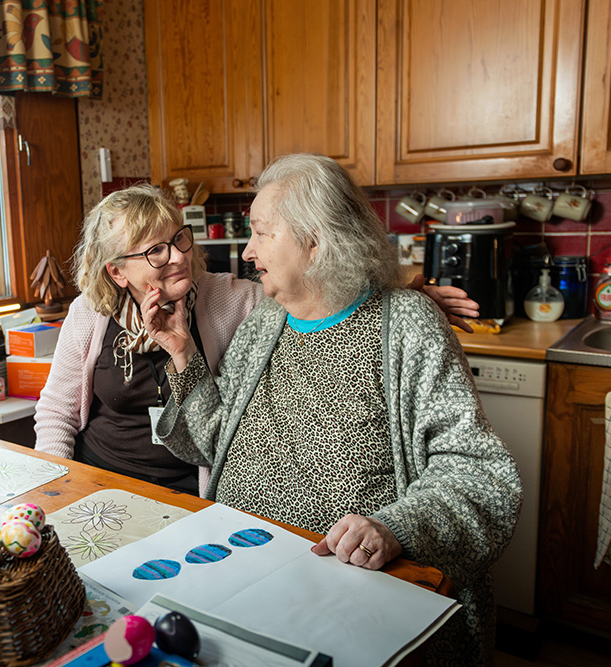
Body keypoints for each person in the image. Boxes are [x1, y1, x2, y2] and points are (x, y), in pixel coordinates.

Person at [142, 154, 521, 665]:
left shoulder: (406, 324)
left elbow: (479, 475)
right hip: (243, 572)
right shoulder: (264, 324)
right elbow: (211, 442)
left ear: (316, 241)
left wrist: (395, 528)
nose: (248, 251)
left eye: (261, 233)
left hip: (350, 593)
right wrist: (183, 352)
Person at [34, 184, 481, 496]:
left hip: (185, 488)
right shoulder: (90, 315)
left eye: (179, 239)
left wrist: (402, 296)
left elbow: (316, 289)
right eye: (155, 251)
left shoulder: (232, 299)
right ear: (117, 271)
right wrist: (57, 488)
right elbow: (57, 413)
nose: (178, 257)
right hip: (101, 479)